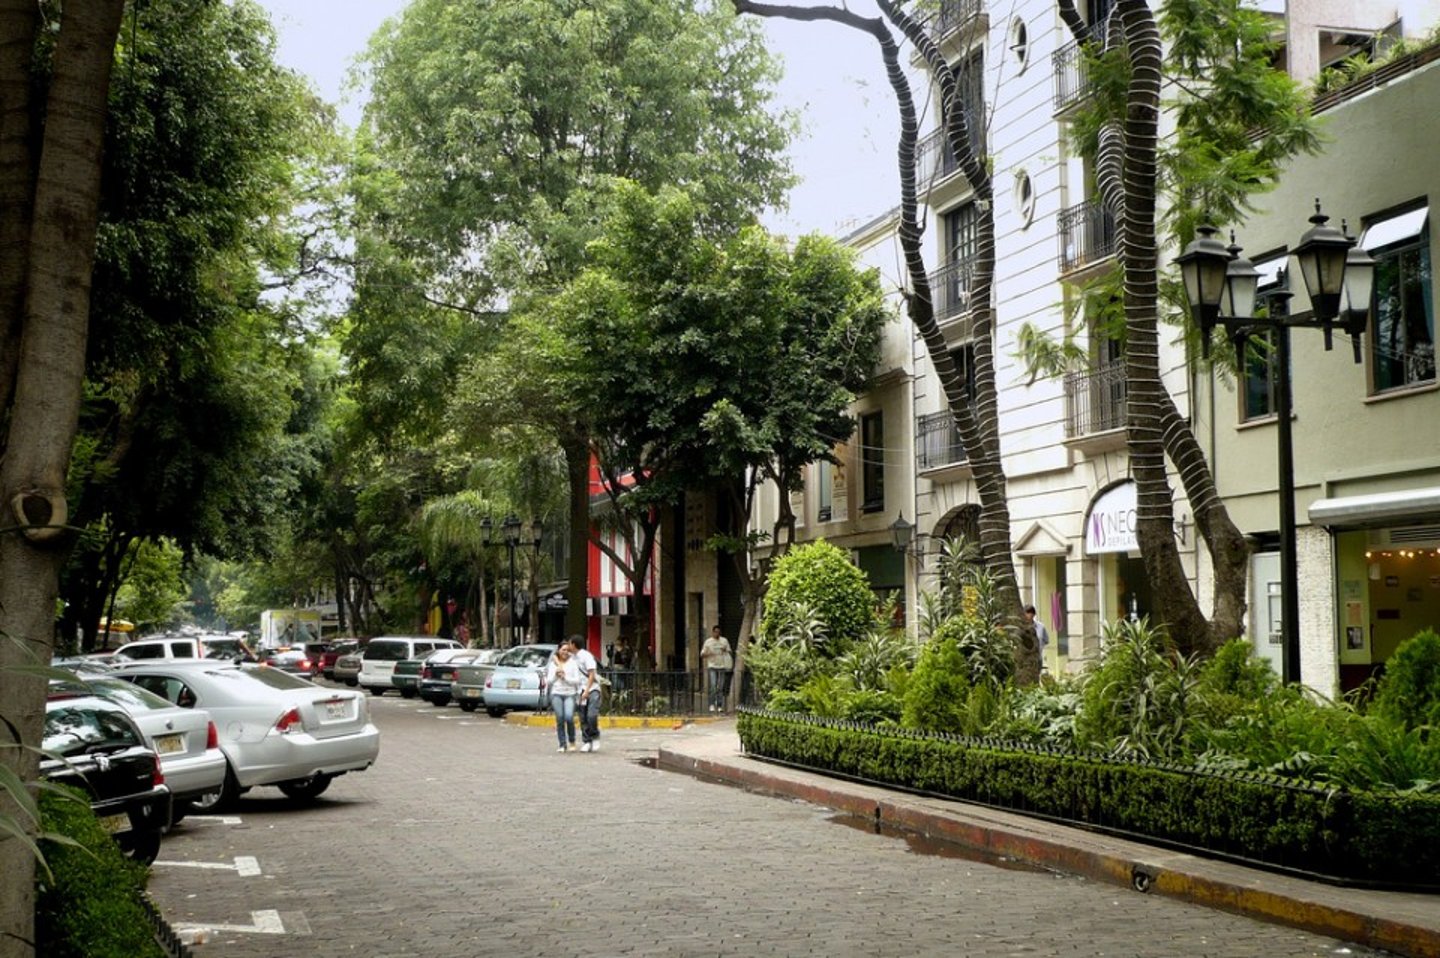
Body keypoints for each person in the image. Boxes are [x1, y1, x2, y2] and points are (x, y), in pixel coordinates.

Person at [545, 644, 583, 752]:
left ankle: (572, 741)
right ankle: (562, 744)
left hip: (570, 694)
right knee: (560, 718)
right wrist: (556, 675)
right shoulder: (553, 664)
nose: (565, 652)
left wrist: (565, 677)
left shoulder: (573, 663)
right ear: (559, 651)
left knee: (569, 717)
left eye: (567, 650)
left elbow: (577, 680)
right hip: (556, 693)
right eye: (563, 650)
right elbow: (549, 681)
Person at [567, 635, 601, 752]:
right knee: (583, 717)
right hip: (579, 690)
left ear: (574, 644)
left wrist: (587, 690)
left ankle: (595, 736)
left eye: (569, 643)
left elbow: (591, 674)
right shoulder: (571, 657)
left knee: (592, 715)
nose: (568, 646)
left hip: (592, 689)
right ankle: (587, 741)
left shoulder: (586, 656)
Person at [700, 625, 733, 713]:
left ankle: (719, 705)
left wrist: (725, 650)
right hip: (712, 666)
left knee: (720, 687)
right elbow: (702, 654)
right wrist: (709, 654)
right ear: (713, 632)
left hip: (722, 665)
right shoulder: (708, 642)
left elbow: (730, 651)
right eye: (715, 632)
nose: (717, 634)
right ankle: (711, 704)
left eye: (718, 632)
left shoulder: (724, 641)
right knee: (713, 685)